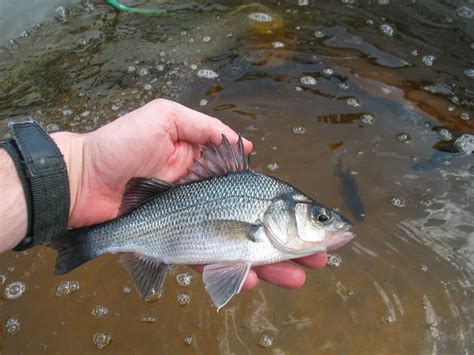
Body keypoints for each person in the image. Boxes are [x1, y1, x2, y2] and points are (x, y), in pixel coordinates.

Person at [0, 99, 327, 290]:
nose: (326, 223)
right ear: (282, 210)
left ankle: (79, 237)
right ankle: (86, 241)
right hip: (153, 223)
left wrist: (74, 170)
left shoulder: (265, 211)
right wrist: (79, 167)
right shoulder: (263, 204)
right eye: (319, 217)